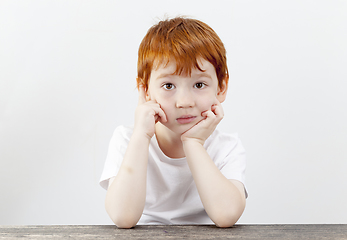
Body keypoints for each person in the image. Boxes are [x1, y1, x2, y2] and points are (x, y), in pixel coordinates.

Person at [100, 17, 247, 228]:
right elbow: (123, 217)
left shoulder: (226, 147)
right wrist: (141, 136)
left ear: (221, 86)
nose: (185, 102)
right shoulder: (127, 139)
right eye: (168, 85)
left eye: (199, 84)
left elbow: (226, 216)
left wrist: (193, 143)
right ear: (145, 90)